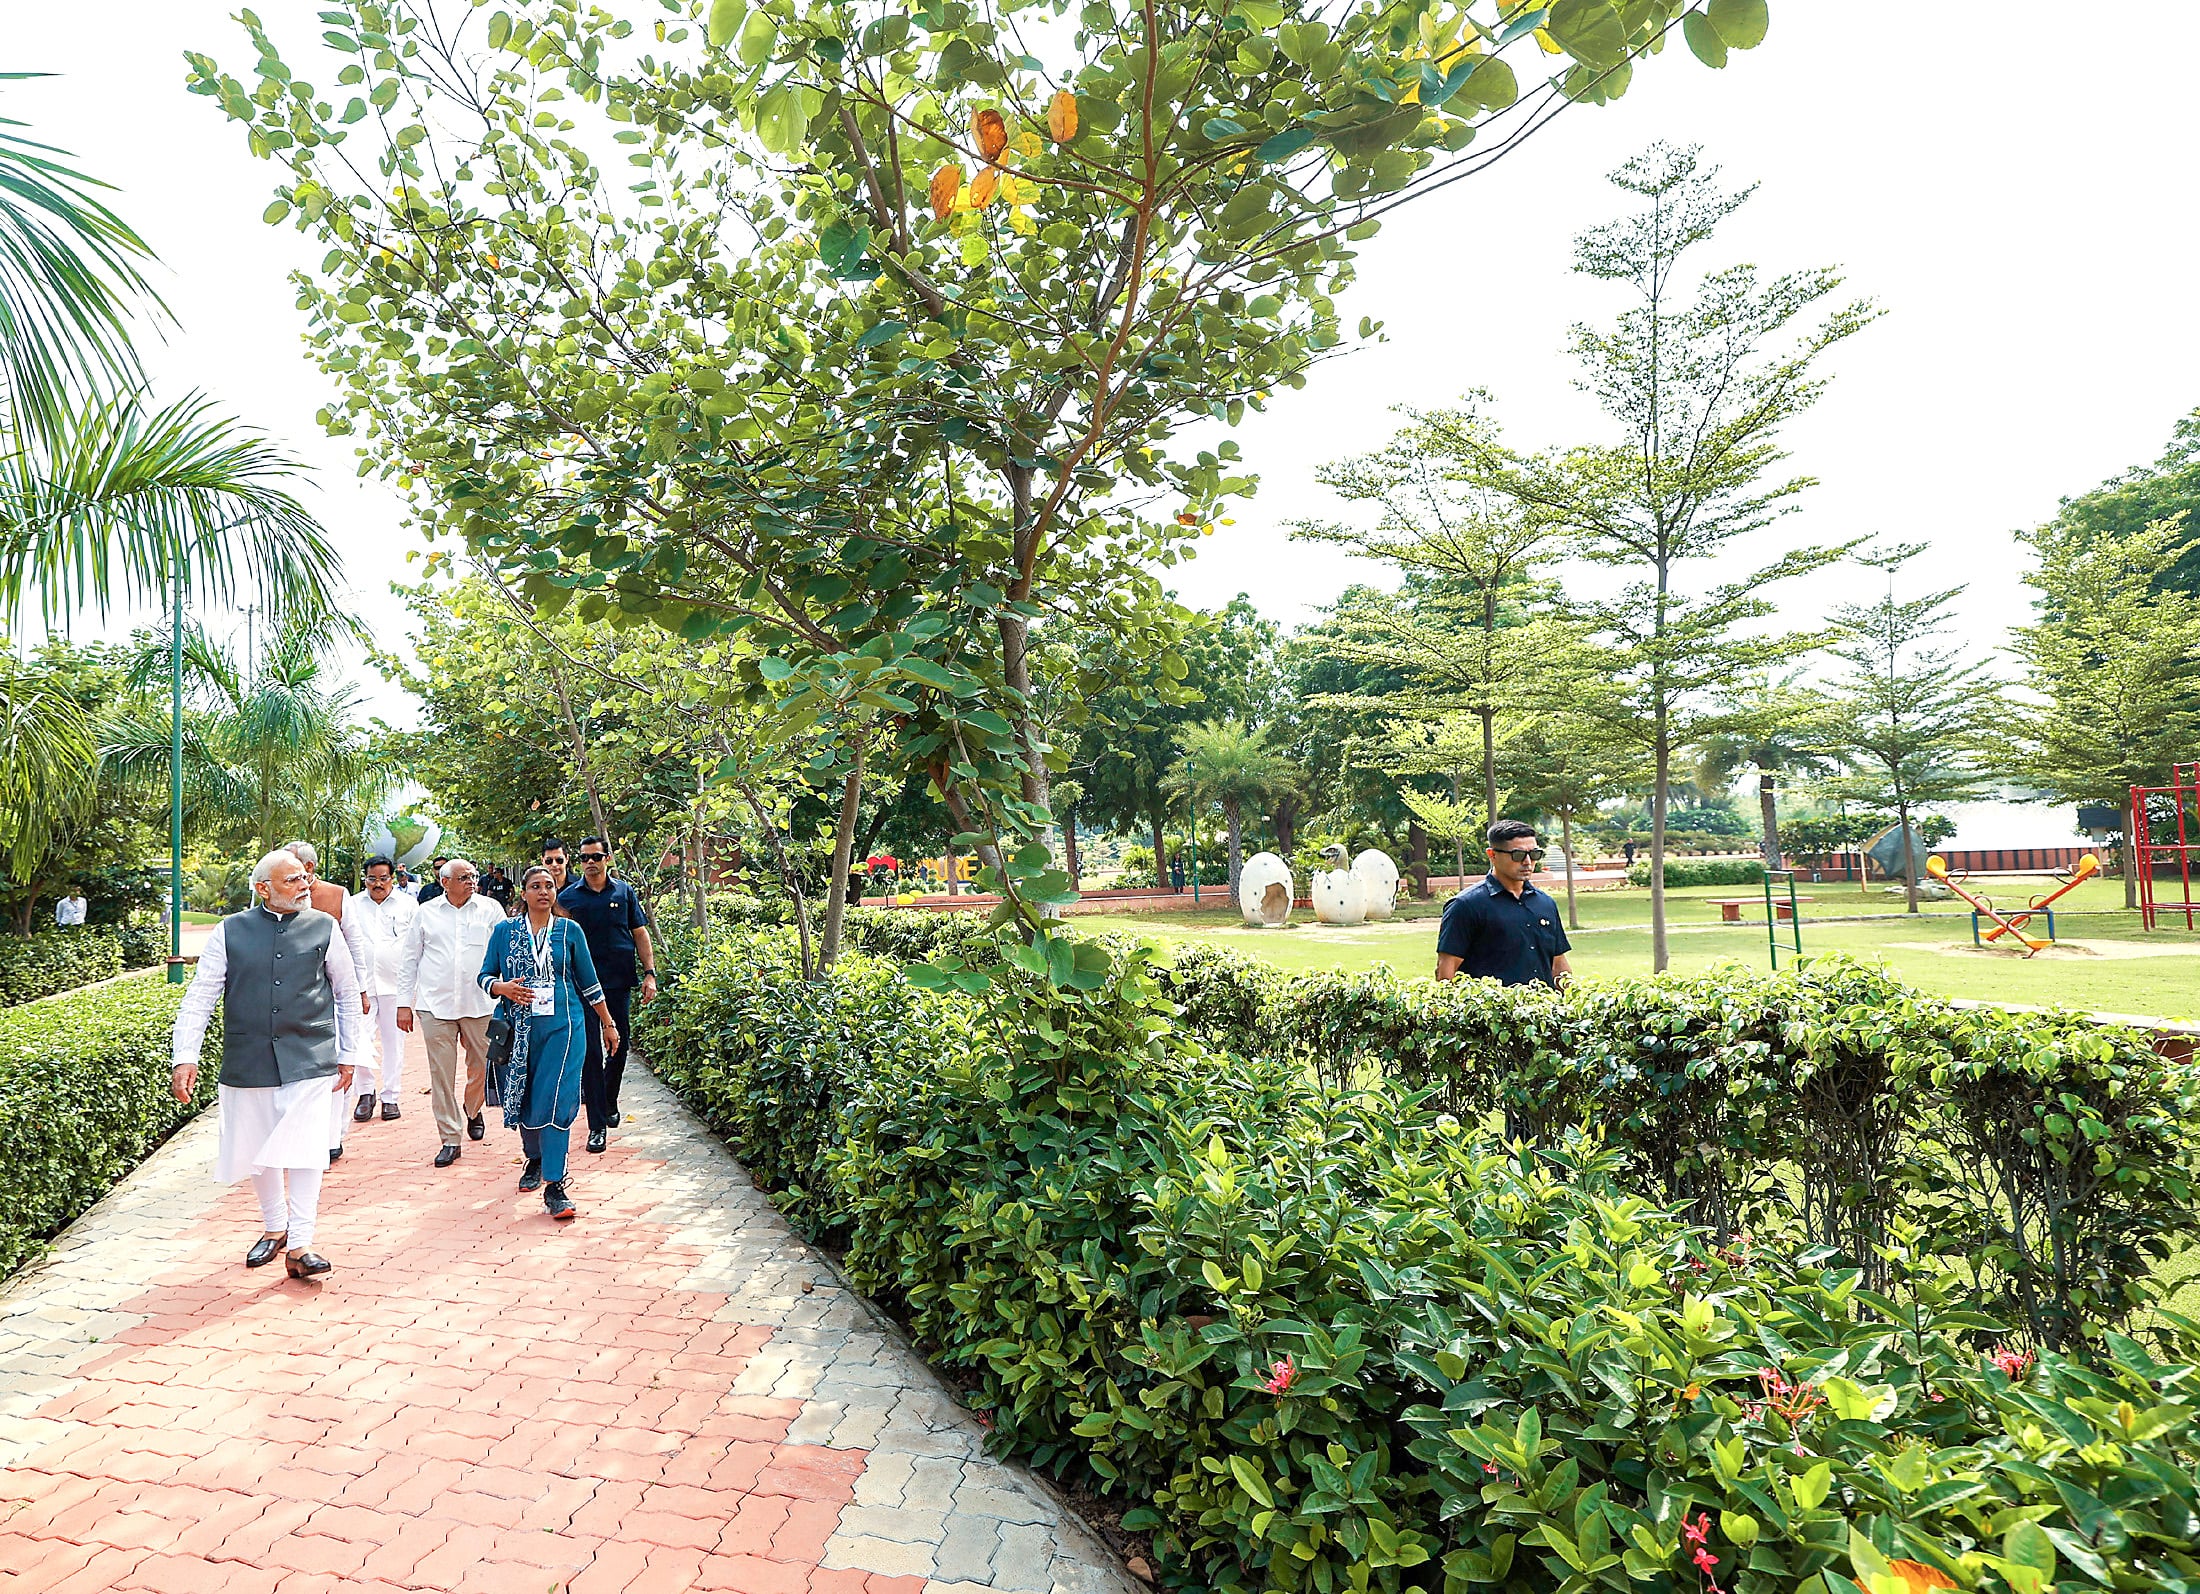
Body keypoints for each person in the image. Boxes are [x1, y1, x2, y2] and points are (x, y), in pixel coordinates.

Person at [169, 849, 363, 1279]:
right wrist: (186, 1055)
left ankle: (301, 1244)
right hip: (248, 1057)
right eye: (292, 880)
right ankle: (275, 1228)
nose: (304, 885)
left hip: (311, 1055)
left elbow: (348, 994)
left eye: (303, 878)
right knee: (260, 1148)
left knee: (309, 1147)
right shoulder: (230, 931)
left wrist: (350, 1055)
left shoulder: (324, 927)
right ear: (263, 889)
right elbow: (201, 995)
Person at [479, 864, 619, 1220]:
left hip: (565, 1027)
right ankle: (535, 1158)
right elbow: (483, 976)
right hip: (519, 1028)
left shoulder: (570, 931)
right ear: (523, 893)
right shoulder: (505, 932)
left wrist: (607, 1023)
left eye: (549, 886)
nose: (544, 891)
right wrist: (502, 987)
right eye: (535, 886)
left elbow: (589, 983)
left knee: (556, 1099)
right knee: (526, 1096)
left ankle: (556, 1186)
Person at [396, 858, 506, 1167]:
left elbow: (504, 952)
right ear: (445, 882)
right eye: (463, 877)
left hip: (481, 1004)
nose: (472, 880)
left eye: (473, 875)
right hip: (435, 1005)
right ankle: (450, 1138)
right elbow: (409, 960)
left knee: (483, 1067)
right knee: (441, 1074)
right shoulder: (425, 913)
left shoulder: (490, 910)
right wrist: (404, 1003)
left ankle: (473, 1109)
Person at [558, 837, 658, 1153]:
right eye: (585, 857)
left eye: (596, 856)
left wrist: (649, 973)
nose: (590, 862)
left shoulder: (623, 892)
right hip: (582, 985)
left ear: (607, 858)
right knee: (589, 1052)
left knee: (620, 1044)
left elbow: (639, 932)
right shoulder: (568, 898)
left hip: (617, 981)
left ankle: (607, 1097)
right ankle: (596, 1125)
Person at [285, 841, 374, 1166]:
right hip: (293, 997)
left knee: (339, 1062)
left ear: (308, 869)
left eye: (291, 867)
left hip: (336, 992)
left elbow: (354, 943)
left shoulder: (336, 896)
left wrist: (361, 990)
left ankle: (333, 1136)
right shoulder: (274, 897)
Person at [1435, 820, 1574, 990]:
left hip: (1544, 1012)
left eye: (1535, 854)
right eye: (1518, 855)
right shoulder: (1465, 906)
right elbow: (1446, 972)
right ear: (1492, 855)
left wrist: (1572, 1004)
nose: (1528, 862)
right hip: (1492, 1013)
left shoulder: (1545, 904)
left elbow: (1558, 964)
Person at [347, 855, 418, 1127]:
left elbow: (415, 947)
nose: (378, 884)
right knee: (359, 1040)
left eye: (383, 878)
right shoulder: (352, 905)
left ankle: (391, 1096)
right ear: (365, 878)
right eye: (372, 878)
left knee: (394, 1043)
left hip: (395, 985)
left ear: (393, 878)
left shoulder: (409, 906)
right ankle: (365, 1093)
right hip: (361, 986)